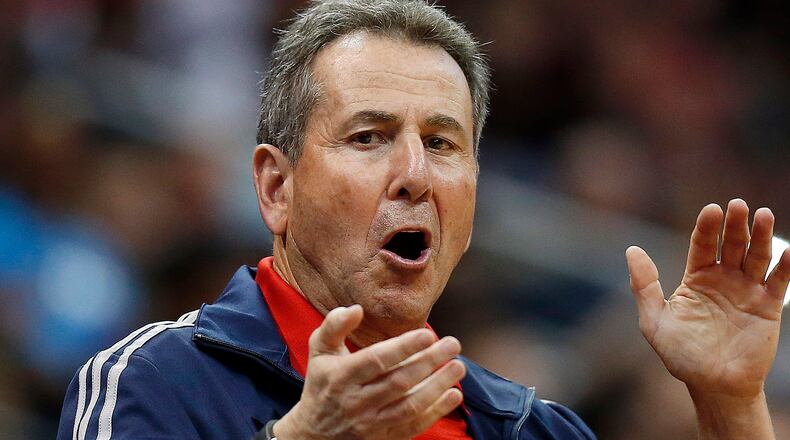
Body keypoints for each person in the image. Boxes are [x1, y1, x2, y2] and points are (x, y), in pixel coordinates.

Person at [57, 0, 790, 439]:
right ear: (276, 187)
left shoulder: (530, 429)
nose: (414, 175)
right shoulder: (154, 380)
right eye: (369, 136)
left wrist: (730, 405)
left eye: (442, 144)